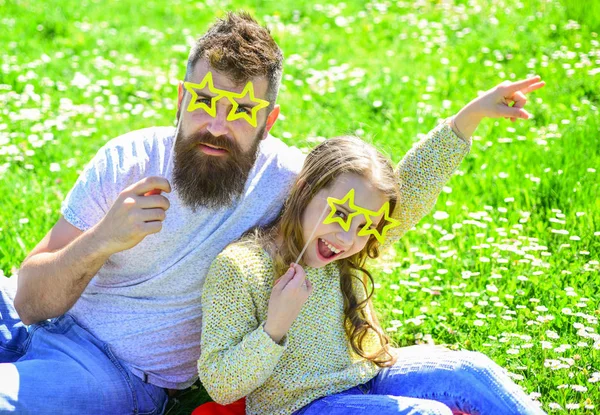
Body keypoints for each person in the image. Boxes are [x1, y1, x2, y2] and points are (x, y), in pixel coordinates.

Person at [0, 12, 305, 414]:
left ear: (269, 121)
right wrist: (102, 239)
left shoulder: (290, 184)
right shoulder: (129, 158)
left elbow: (377, 209)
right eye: (205, 101)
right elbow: (27, 301)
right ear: (181, 99)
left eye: (243, 111)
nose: (217, 125)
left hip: (111, 368)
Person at [198, 77, 547, 415]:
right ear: (303, 189)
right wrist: (275, 327)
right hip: (301, 406)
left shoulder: (343, 251)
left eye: (365, 225)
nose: (348, 238)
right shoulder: (242, 268)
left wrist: (470, 115)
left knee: (471, 372)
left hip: (368, 378)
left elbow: (414, 185)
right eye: (341, 214)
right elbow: (221, 384)